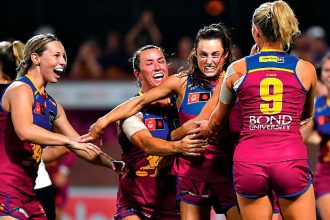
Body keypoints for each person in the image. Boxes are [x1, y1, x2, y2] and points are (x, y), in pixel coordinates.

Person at [80, 23, 241, 220]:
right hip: (164, 190)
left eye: (215, 54)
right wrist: (101, 122)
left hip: (225, 172)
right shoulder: (180, 84)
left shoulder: (233, 80)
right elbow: (146, 129)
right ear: (195, 55)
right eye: (203, 54)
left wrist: (178, 134)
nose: (209, 61)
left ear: (225, 55)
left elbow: (195, 125)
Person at [206, 1, 317, 219]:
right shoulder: (305, 69)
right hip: (289, 159)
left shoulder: (237, 69)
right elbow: (305, 115)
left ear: (256, 31)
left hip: (249, 162)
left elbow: (217, 122)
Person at [0, 33, 126, 220]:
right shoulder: (20, 89)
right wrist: (69, 141)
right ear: (36, 58)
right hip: (5, 189)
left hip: (28, 194)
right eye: (56, 55)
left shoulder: (52, 106)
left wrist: (112, 164)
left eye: (64, 56)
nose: (63, 62)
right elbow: (25, 131)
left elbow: (80, 145)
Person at [114, 45, 206, 220]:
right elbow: (146, 144)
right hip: (135, 207)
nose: (157, 67)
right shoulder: (130, 111)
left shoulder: (182, 106)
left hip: (177, 206)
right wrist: (180, 146)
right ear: (137, 75)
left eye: (161, 61)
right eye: (149, 63)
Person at [303, 53, 330, 220]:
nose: (329, 74)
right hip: (326, 172)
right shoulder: (317, 105)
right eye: (327, 70)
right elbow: (302, 135)